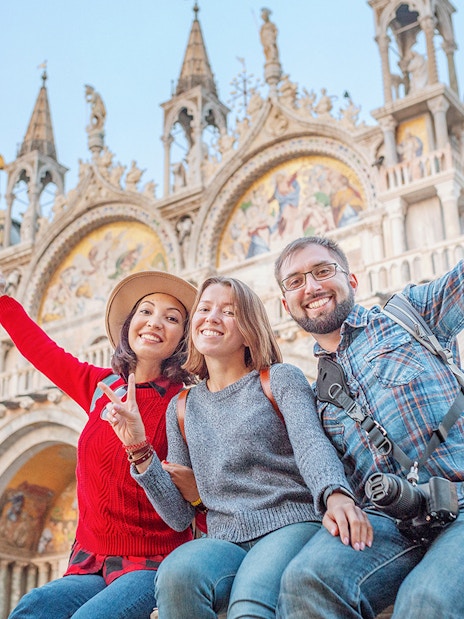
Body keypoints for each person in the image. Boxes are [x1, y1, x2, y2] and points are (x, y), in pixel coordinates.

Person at [100, 275, 372, 619]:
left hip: (290, 525)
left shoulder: (279, 379)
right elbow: (178, 515)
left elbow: (311, 445)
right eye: (205, 308)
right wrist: (139, 449)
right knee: (176, 574)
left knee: (250, 602)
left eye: (228, 311)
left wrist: (334, 494)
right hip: (224, 541)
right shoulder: (183, 406)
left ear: (248, 329)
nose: (211, 317)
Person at [274, 235, 464, 618]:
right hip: (392, 523)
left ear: (353, 281)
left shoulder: (409, 314)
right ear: (285, 303)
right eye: (295, 281)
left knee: (427, 599)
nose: (310, 286)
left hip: (462, 501)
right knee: (307, 579)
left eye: (323, 271)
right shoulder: (319, 397)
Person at [3, 270, 197, 619]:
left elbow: (191, 505)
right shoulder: (99, 386)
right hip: (92, 562)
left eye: (171, 318)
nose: (155, 323)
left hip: (153, 565)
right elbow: (40, 349)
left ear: (183, 338)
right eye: (146, 311)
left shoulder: (187, 405)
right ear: (129, 324)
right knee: (32, 609)